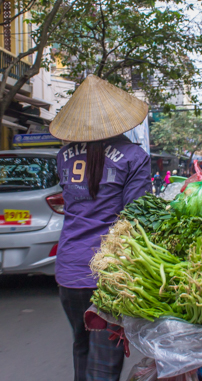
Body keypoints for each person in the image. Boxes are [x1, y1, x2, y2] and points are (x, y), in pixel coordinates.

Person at [49, 75, 151, 381]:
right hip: (108, 272)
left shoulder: (63, 157)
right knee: (105, 363)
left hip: (68, 270)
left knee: (81, 348)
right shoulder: (134, 157)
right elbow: (136, 217)